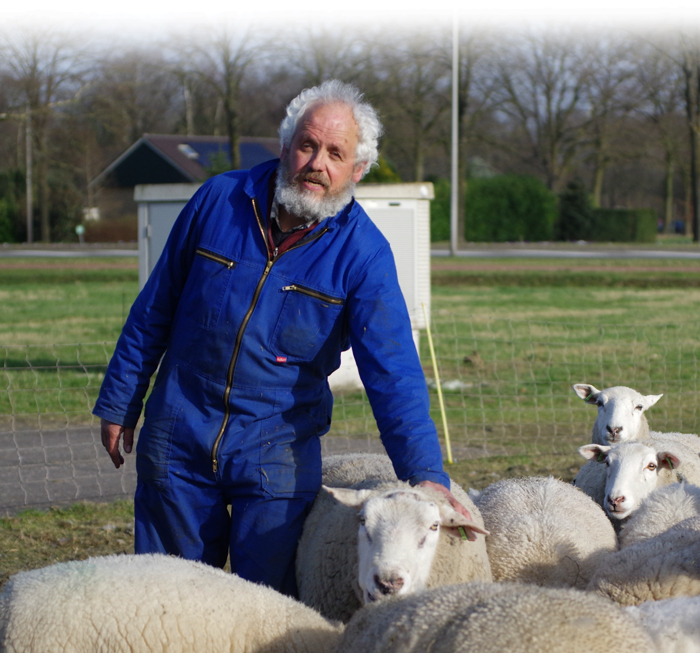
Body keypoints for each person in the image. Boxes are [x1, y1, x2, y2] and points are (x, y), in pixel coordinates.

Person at [94, 80, 474, 597]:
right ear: (285, 146)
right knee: (167, 599)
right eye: (307, 144)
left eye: (335, 153)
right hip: (179, 431)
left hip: (275, 452)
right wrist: (120, 400)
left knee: (266, 610)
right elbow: (155, 307)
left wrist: (426, 474)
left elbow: (394, 373)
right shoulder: (217, 201)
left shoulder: (364, 255)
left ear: (356, 171)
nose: (317, 162)